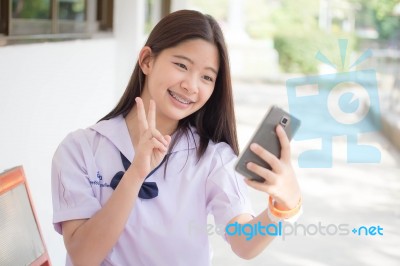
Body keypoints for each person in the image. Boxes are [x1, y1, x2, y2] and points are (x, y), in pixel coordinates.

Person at [51, 9, 302, 266]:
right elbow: (82, 257)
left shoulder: (212, 157)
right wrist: (136, 174)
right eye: (182, 65)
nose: (191, 86)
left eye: (206, 77)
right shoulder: (79, 149)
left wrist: (284, 207)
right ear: (147, 60)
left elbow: (244, 243)